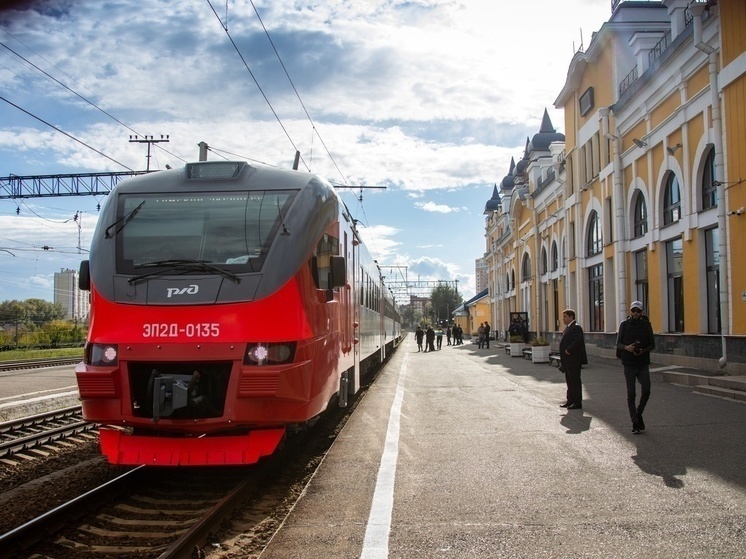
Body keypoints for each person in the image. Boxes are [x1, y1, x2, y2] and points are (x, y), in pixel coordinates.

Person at [616, 300, 655, 434]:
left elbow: (652, 344)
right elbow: (618, 343)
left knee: (647, 390)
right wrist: (627, 348)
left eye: (638, 311)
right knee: (631, 393)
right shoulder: (624, 325)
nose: (636, 313)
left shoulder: (646, 325)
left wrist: (643, 350)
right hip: (629, 363)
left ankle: (639, 413)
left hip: (642, 362)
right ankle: (635, 422)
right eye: (633, 311)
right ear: (630, 311)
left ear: (642, 312)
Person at [559, 308, 588, 410]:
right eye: (563, 317)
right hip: (568, 361)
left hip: (573, 360)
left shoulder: (576, 327)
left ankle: (577, 402)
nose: (563, 319)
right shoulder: (568, 327)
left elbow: (578, 340)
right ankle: (570, 400)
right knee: (569, 381)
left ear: (571, 317)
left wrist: (569, 350)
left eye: (565, 317)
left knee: (575, 381)